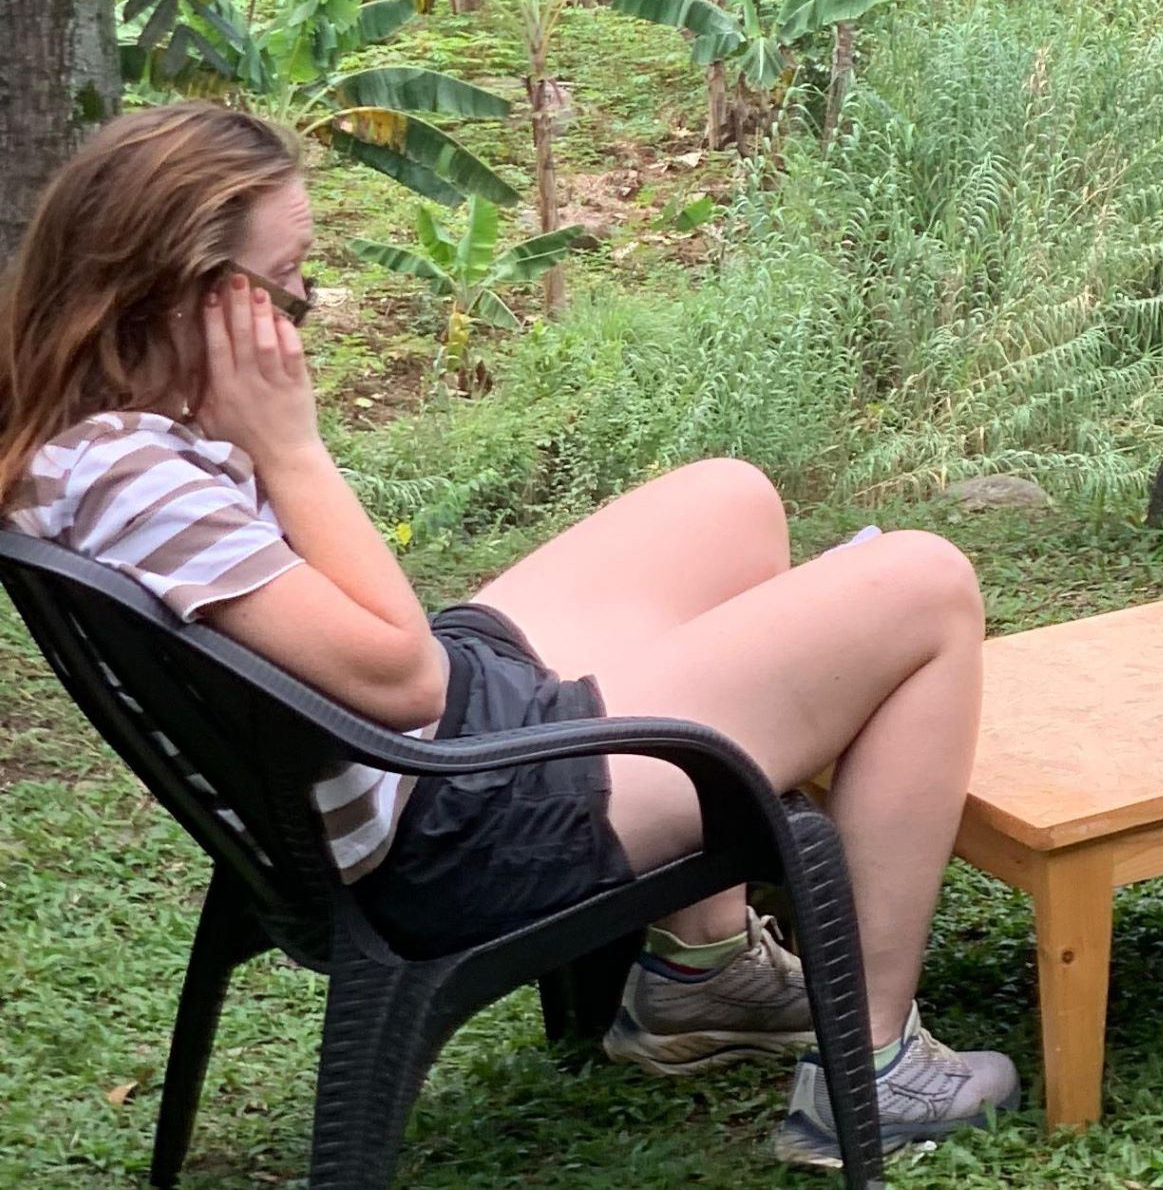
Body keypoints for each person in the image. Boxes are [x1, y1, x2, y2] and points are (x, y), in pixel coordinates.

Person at [0, 103, 1014, 1169]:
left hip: (414, 763)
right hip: (458, 824)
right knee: (926, 584)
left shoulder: (83, 437)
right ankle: (878, 1068)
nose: (303, 315)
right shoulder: (140, 484)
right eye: (288, 284)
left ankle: (702, 974)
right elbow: (404, 679)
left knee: (729, 500)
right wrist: (291, 449)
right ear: (189, 293)